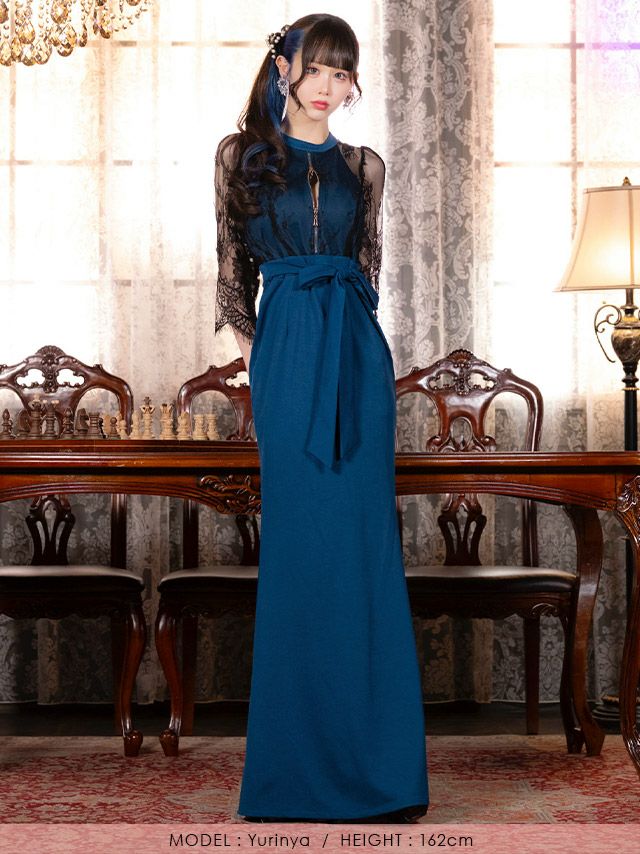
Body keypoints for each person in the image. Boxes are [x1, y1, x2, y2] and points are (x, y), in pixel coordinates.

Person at [214, 13, 429, 824]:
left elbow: (366, 273)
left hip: (356, 357)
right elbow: (233, 279)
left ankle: (381, 776)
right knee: (301, 557)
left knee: (363, 554)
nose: (330, 87)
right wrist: (265, 364)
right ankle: (292, 778)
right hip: (286, 355)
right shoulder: (238, 157)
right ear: (284, 68)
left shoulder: (364, 167)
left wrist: (349, 350)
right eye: (318, 69)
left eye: (344, 73)